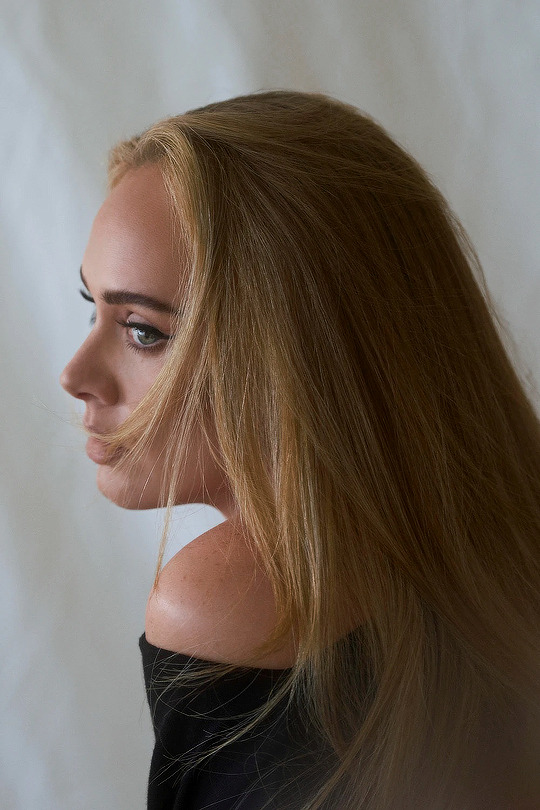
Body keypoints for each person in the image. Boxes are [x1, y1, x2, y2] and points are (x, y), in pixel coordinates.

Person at [60, 91, 540, 809]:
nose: (75, 375)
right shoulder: (499, 537)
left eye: (144, 331)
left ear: (300, 351)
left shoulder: (232, 598)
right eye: (90, 306)